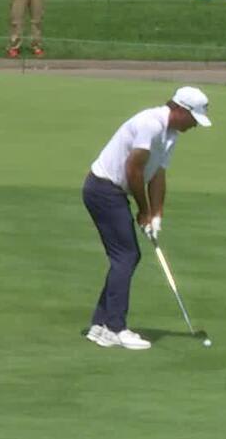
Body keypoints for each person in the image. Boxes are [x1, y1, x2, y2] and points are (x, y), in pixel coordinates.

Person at [82, 87, 212, 351]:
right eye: (193, 119)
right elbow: (134, 170)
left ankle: (100, 325)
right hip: (103, 189)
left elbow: (157, 174)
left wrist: (156, 214)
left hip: (113, 192)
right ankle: (115, 328)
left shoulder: (171, 134)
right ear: (180, 110)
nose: (195, 126)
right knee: (126, 256)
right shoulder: (150, 124)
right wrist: (143, 211)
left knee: (126, 256)